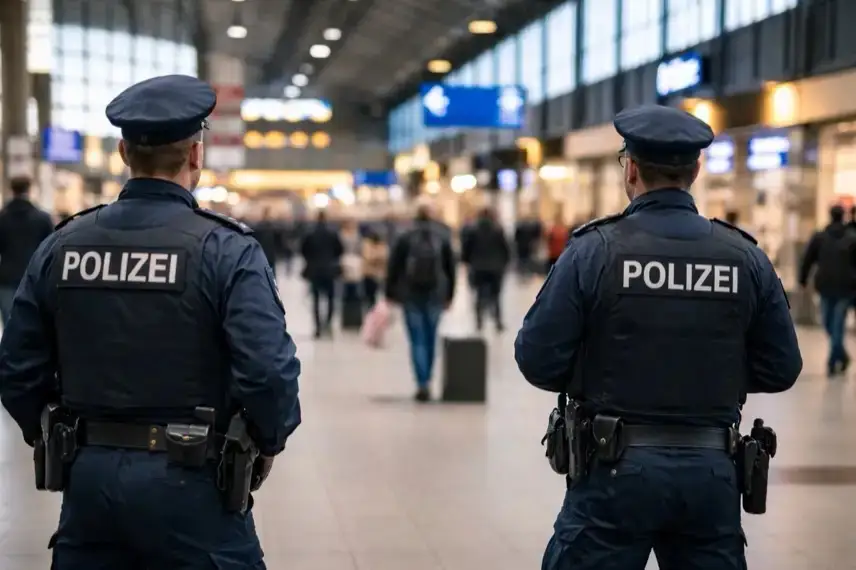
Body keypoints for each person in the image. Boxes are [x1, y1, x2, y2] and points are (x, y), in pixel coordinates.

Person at [0, 74, 302, 569]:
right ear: (196, 155)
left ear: (123, 153)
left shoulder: (64, 245)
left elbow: (16, 366)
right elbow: (267, 371)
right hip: (196, 482)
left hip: (89, 484)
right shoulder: (226, 250)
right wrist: (267, 439)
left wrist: (55, 435)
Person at [515, 104, 802, 570]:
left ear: (630, 169)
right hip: (712, 472)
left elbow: (536, 358)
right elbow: (782, 367)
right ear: (695, 171)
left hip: (613, 469)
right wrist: (709, 371)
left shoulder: (594, 251)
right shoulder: (744, 257)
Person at [386, 203, 456, 402]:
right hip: (436, 294)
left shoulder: (404, 236)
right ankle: (428, 377)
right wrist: (450, 295)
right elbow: (450, 267)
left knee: (417, 339)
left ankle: (422, 382)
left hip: (411, 294)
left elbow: (394, 266)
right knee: (431, 337)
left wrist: (390, 293)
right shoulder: (442, 235)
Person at [798, 204, 856, 376]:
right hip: (845, 287)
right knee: (833, 323)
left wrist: (803, 279)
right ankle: (842, 355)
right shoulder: (851, 238)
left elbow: (807, 259)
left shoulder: (820, 237)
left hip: (827, 286)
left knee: (830, 322)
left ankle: (832, 360)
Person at [0, 176, 54, 325]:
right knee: (33, 324)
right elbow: (51, 250)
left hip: (6, 278)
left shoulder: (2, 218)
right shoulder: (43, 218)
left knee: (10, 323)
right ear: (30, 189)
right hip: (34, 278)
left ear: (11, 190)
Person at [461, 206, 510, 332]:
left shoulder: (472, 230)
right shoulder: (498, 230)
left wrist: (467, 262)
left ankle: (479, 321)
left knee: (479, 295)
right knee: (496, 296)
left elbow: (466, 249)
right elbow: (505, 248)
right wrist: (504, 263)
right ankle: (498, 321)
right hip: (495, 267)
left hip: (478, 267)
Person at [300, 210, 343, 338]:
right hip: (329, 270)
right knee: (331, 298)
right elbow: (340, 250)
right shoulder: (332, 233)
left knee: (316, 300)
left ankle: (317, 327)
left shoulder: (310, 233)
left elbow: (303, 250)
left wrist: (310, 261)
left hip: (315, 271)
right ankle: (328, 324)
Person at [362, 230, 388, 308]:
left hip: (380, 274)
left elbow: (384, 257)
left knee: (382, 297)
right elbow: (368, 257)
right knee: (370, 298)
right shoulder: (367, 244)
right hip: (369, 274)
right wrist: (376, 257)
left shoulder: (383, 245)